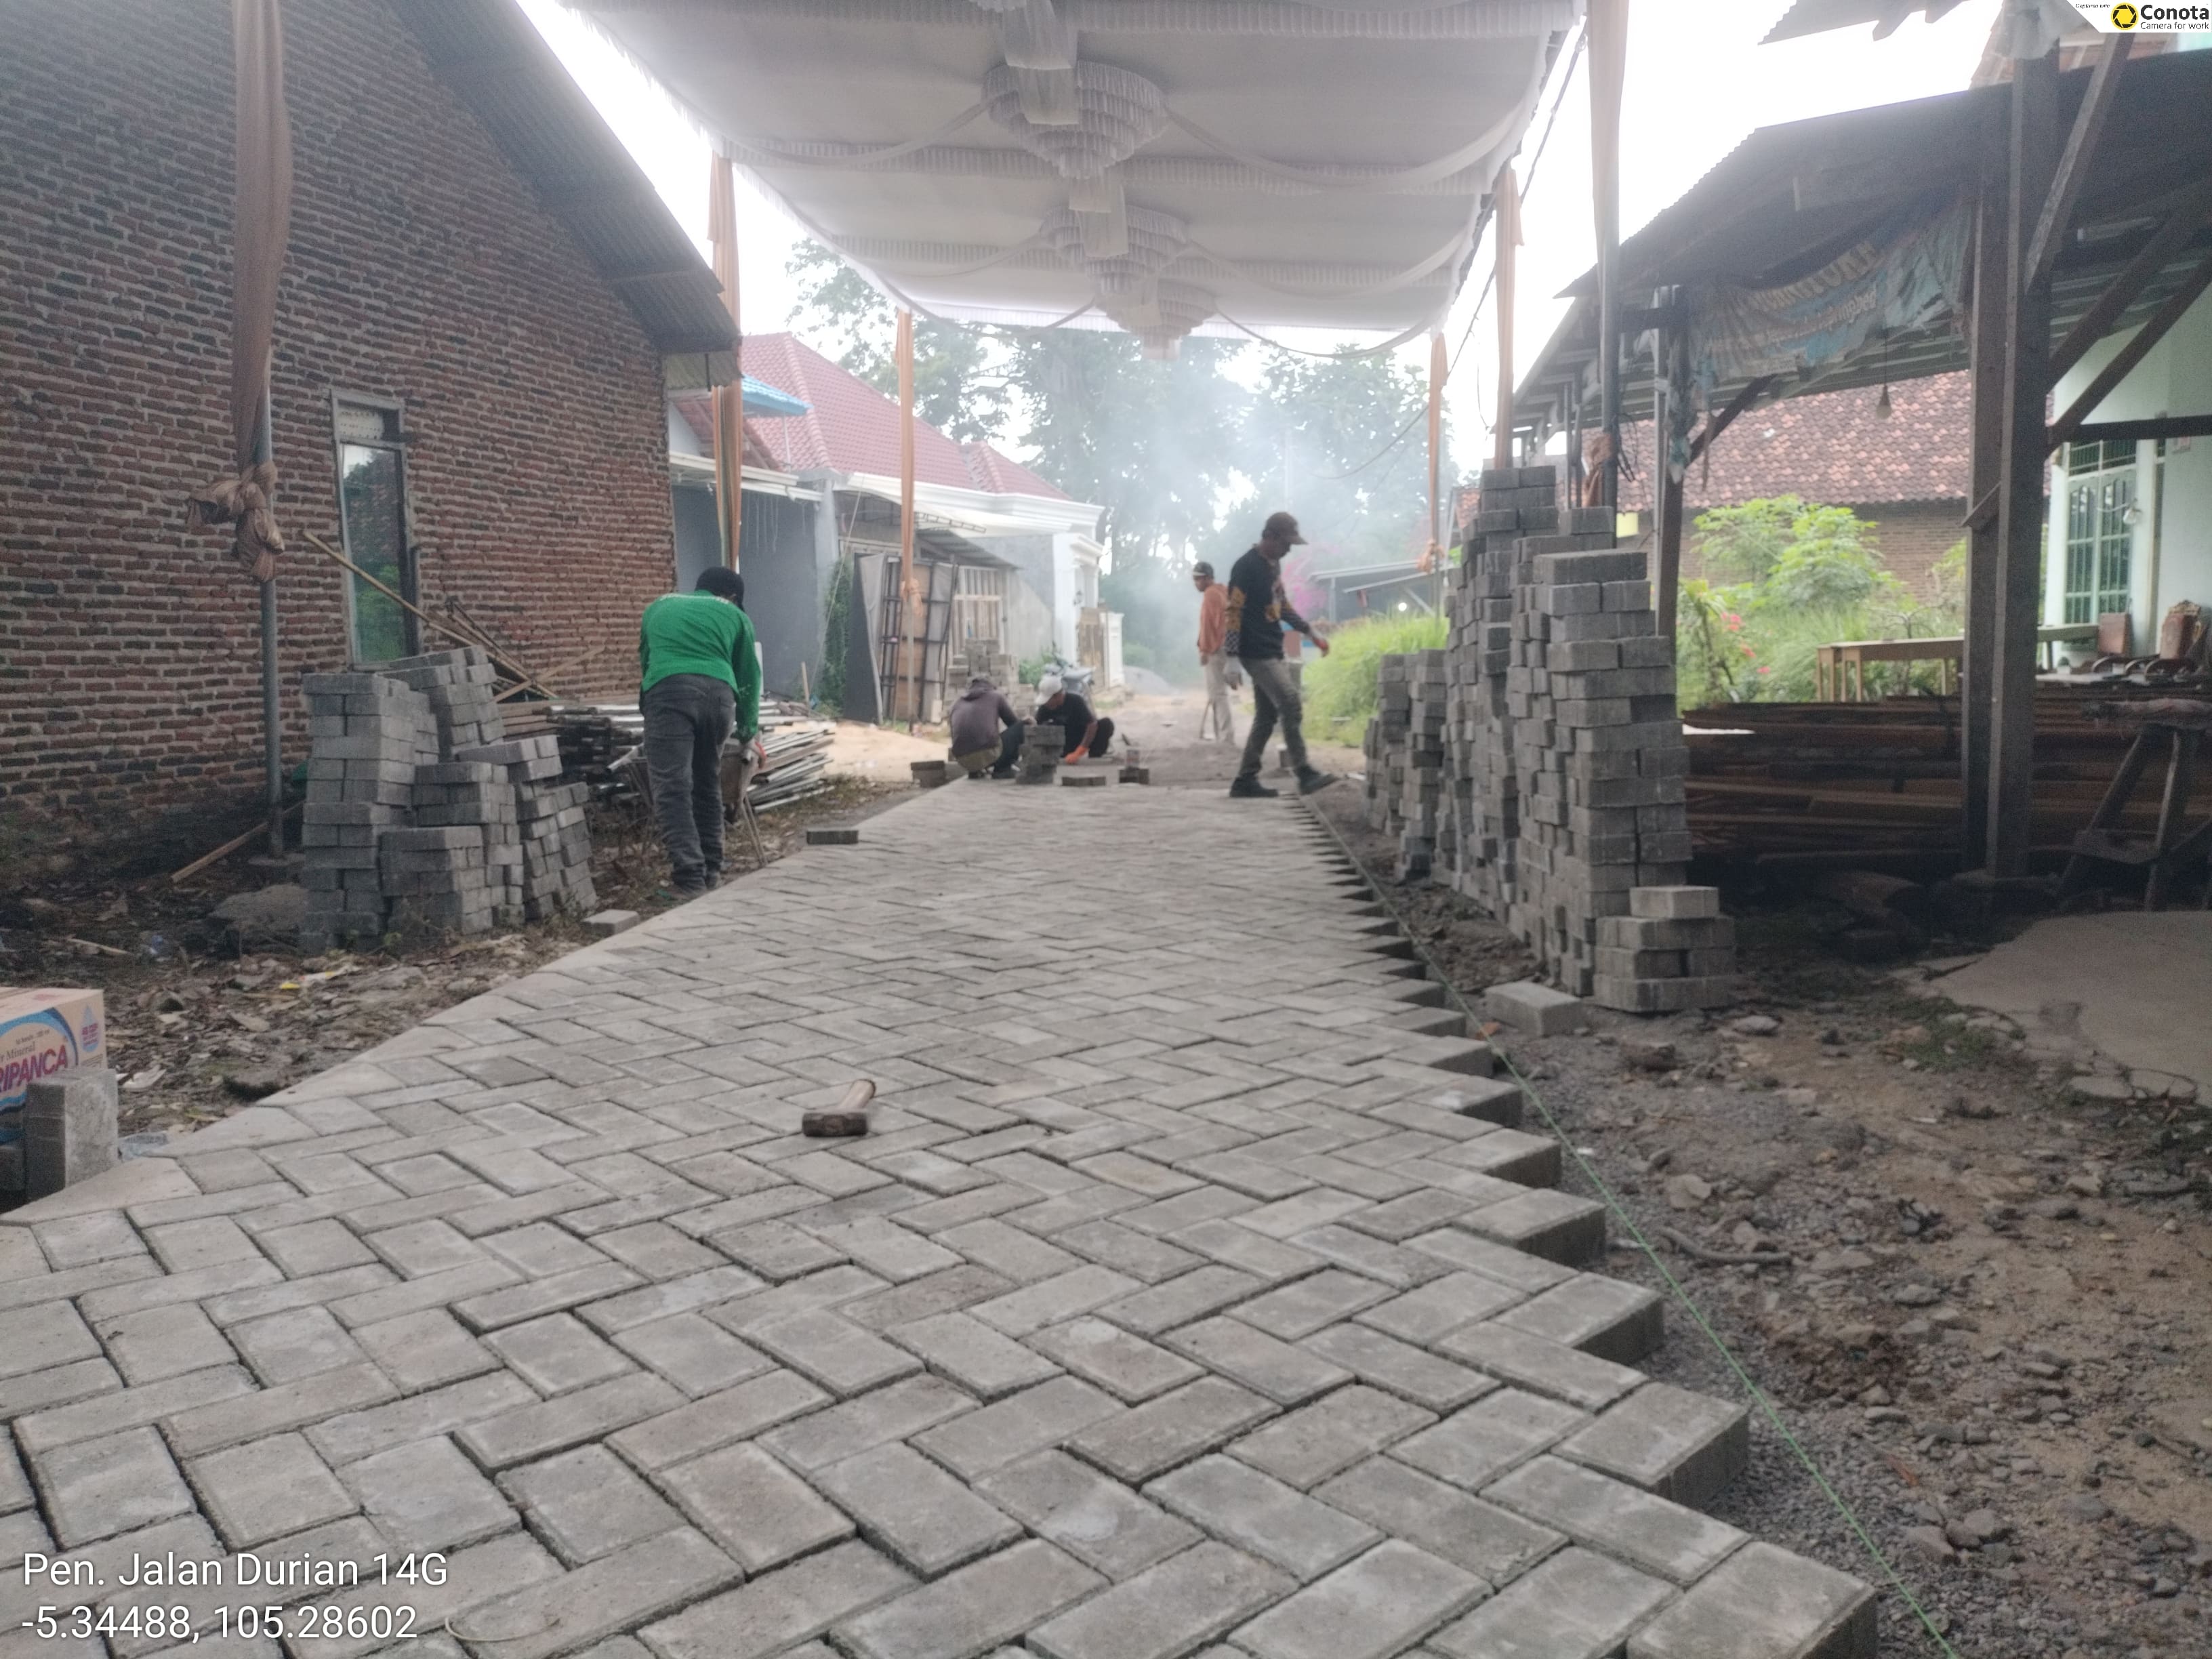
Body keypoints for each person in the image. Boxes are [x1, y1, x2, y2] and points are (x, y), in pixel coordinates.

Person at [638, 567, 761, 895]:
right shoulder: (736, 616)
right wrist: (748, 731)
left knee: (672, 786)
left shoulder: (658, 606)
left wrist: (649, 708)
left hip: (669, 692)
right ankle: (711, 870)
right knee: (707, 781)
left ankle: (689, 877)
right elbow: (749, 676)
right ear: (731, 597)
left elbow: (647, 661)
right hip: (720, 698)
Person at [1222, 510, 1336, 799]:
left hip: (1272, 647)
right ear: (1270, 537)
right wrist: (1232, 656)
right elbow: (1233, 611)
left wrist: (1309, 631)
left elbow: (1281, 605)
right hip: (1255, 651)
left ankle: (1245, 780)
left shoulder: (1272, 566)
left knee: (1266, 715)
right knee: (1290, 702)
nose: (1288, 550)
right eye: (1286, 544)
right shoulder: (1245, 567)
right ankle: (1304, 773)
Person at [1193, 561, 1235, 743]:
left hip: (1216, 648)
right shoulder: (1222, 591)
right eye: (1194, 579)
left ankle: (1226, 737)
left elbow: (1209, 625)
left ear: (1208, 578)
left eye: (1198, 579)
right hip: (1227, 647)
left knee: (1218, 694)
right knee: (1217, 693)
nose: (1196, 583)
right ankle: (1221, 736)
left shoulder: (1211, 594)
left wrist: (1204, 649)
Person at [949, 674, 1022, 779]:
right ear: (991, 686)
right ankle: (1003, 769)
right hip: (988, 755)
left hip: (962, 760)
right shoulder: (996, 696)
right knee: (1022, 727)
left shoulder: (956, 703)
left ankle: (975, 771)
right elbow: (1014, 724)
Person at [1034, 674, 1113, 761]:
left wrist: (1081, 750)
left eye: (1049, 700)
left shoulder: (1076, 700)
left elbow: (1092, 724)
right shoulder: (1045, 707)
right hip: (1065, 742)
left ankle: (1095, 756)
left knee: (1106, 724)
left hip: (1081, 736)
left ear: (1058, 695)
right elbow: (1036, 726)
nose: (1047, 703)